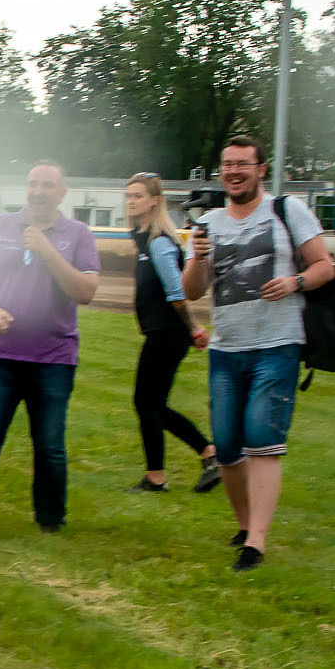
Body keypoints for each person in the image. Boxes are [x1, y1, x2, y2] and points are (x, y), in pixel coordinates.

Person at [180, 134, 335, 572]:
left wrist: (294, 282)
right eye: (227, 165)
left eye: (242, 164)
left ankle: (256, 542)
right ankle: (245, 525)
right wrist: (197, 258)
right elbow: (192, 290)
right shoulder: (207, 223)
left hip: (277, 344)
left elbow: (325, 266)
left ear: (260, 169)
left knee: (263, 440)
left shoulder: (287, 210)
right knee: (228, 446)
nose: (234, 172)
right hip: (227, 349)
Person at [0, 161, 100, 537]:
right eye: (33, 184)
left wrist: (49, 252)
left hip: (53, 358)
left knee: (49, 445)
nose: (39, 191)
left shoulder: (78, 234)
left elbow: (85, 292)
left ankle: (50, 520)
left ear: (62, 194)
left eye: (48, 185)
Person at [120, 174, 216, 495]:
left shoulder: (159, 243)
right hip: (163, 333)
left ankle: (158, 477)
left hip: (167, 334)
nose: (131, 201)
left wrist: (194, 328)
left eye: (138, 196)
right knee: (153, 405)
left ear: (155, 201)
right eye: (129, 196)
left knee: (146, 403)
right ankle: (207, 454)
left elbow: (177, 292)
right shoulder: (144, 240)